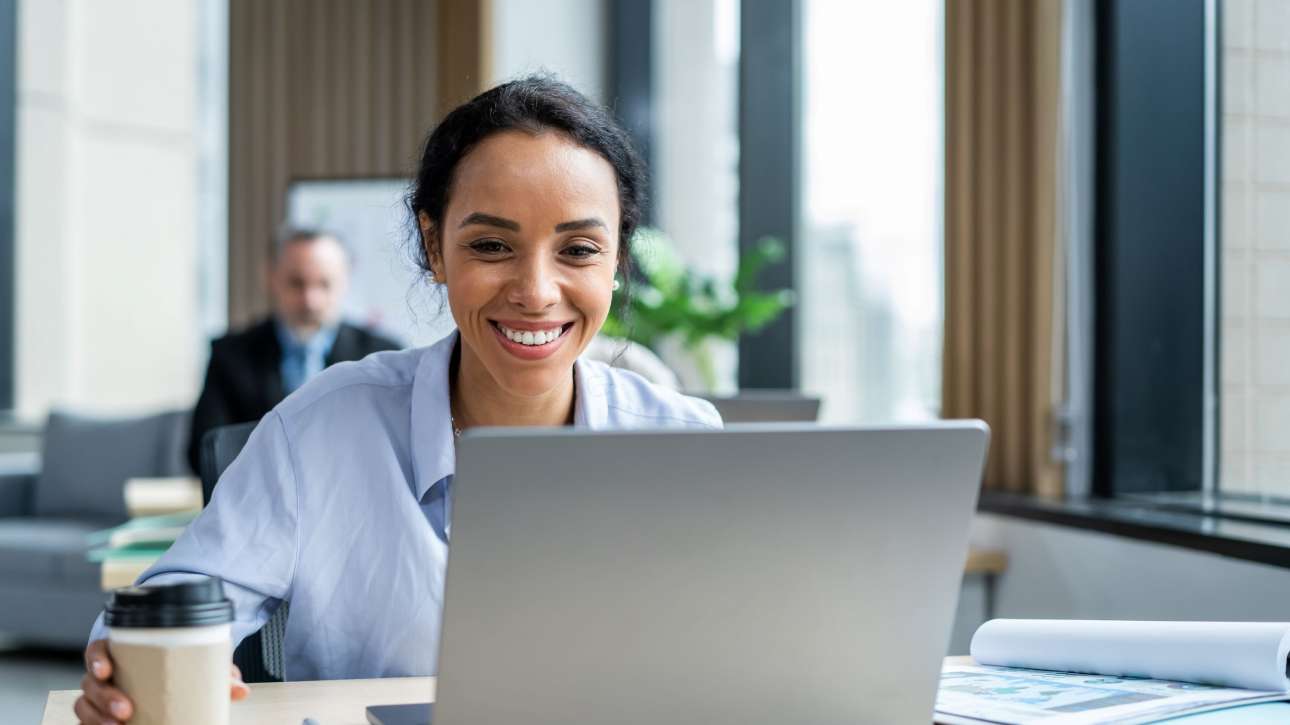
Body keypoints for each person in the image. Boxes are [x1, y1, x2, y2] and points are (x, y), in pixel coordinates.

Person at [74, 76, 721, 723]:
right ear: (436, 246)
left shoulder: (684, 442)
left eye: (578, 250)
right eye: (491, 246)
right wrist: (131, 662)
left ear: (616, 260)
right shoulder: (321, 428)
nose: (536, 290)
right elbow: (174, 598)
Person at [185, 229, 401, 474]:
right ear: (272, 278)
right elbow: (205, 452)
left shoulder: (383, 356)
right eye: (297, 283)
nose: (311, 300)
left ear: (345, 281)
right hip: (259, 500)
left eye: (324, 284)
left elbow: (398, 448)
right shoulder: (231, 356)